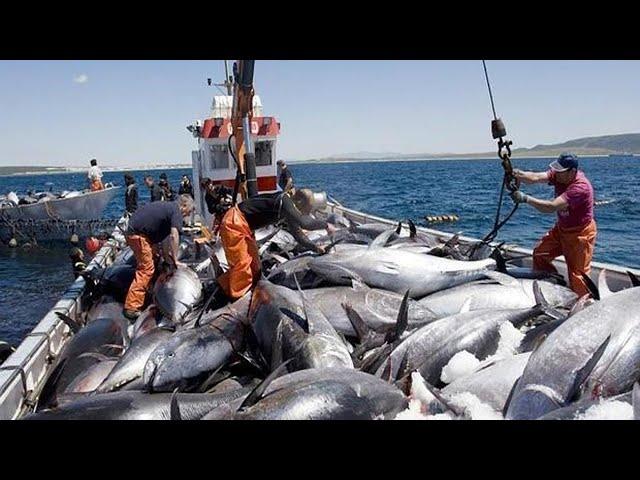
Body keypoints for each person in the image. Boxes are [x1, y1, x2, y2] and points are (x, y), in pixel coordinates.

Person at [202, 179, 335, 303]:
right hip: (234, 223)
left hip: (244, 226)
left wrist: (316, 248)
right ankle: (237, 300)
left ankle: (219, 287)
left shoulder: (287, 209)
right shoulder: (285, 201)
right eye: (306, 209)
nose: (306, 213)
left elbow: (298, 235)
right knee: (242, 267)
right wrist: (326, 225)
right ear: (300, 202)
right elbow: (304, 222)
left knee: (255, 268)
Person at [510, 152, 597, 298]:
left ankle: (583, 307)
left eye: (560, 171)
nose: (556, 173)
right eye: (556, 169)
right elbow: (536, 177)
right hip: (562, 229)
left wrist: (526, 199)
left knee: (578, 277)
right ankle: (553, 287)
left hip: (580, 234)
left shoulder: (580, 188)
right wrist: (518, 174)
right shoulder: (559, 175)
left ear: (572, 172)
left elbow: (551, 207)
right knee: (540, 254)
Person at [123, 194, 195, 320]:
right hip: (138, 236)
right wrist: (176, 260)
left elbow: (166, 242)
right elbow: (174, 236)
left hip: (141, 234)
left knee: (156, 258)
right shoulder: (176, 211)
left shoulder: (169, 208)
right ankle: (131, 308)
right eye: (188, 212)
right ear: (184, 206)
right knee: (146, 269)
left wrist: (169, 260)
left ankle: (150, 291)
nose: (187, 215)